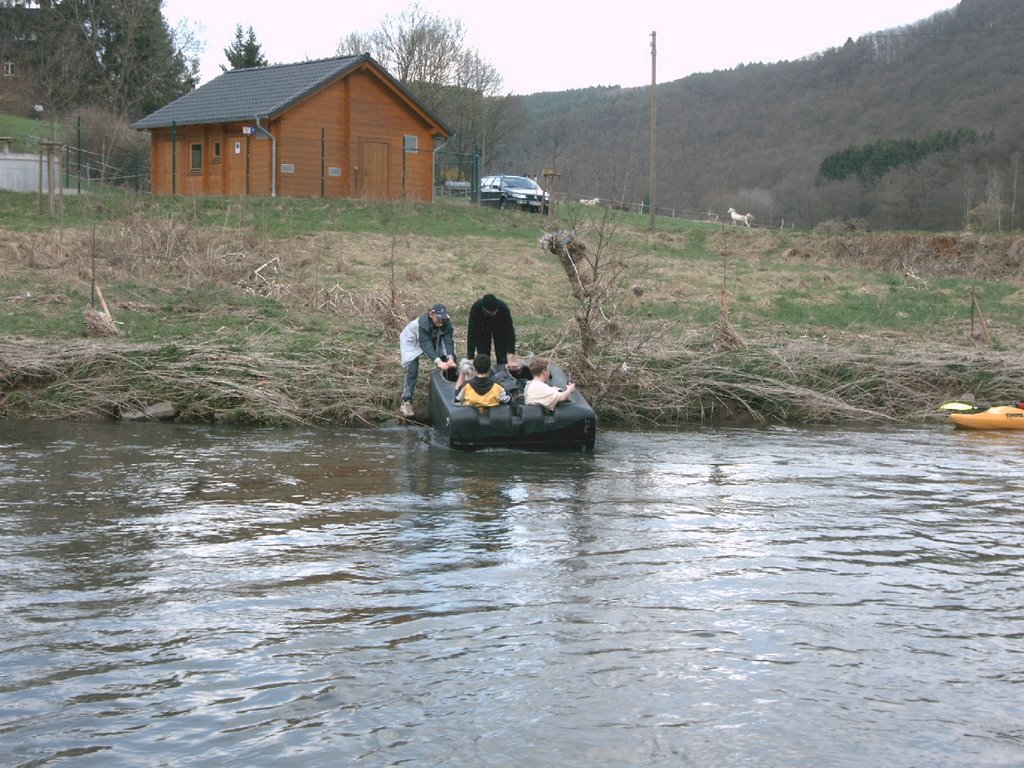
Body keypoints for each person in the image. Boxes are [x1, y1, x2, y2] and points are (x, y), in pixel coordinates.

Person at [398, 304, 456, 417]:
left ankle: (448, 397)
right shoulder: (422, 324)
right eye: (438, 318)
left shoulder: (445, 322)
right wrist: (439, 362)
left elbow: (448, 340)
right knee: (412, 369)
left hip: (433, 336)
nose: (441, 321)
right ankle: (406, 402)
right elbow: (426, 345)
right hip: (412, 340)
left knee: (450, 362)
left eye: (443, 318)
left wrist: (450, 358)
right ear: (431, 314)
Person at [467, 293, 519, 371]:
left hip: (500, 328)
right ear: (485, 309)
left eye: (496, 311)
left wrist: (511, 352)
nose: (495, 313)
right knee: (483, 354)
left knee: (502, 354)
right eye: (492, 312)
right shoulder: (476, 308)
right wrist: (470, 357)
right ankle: (484, 374)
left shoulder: (502, 307)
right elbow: (471, 332)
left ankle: (503, 372)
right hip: (482, 329)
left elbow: (510, 331)